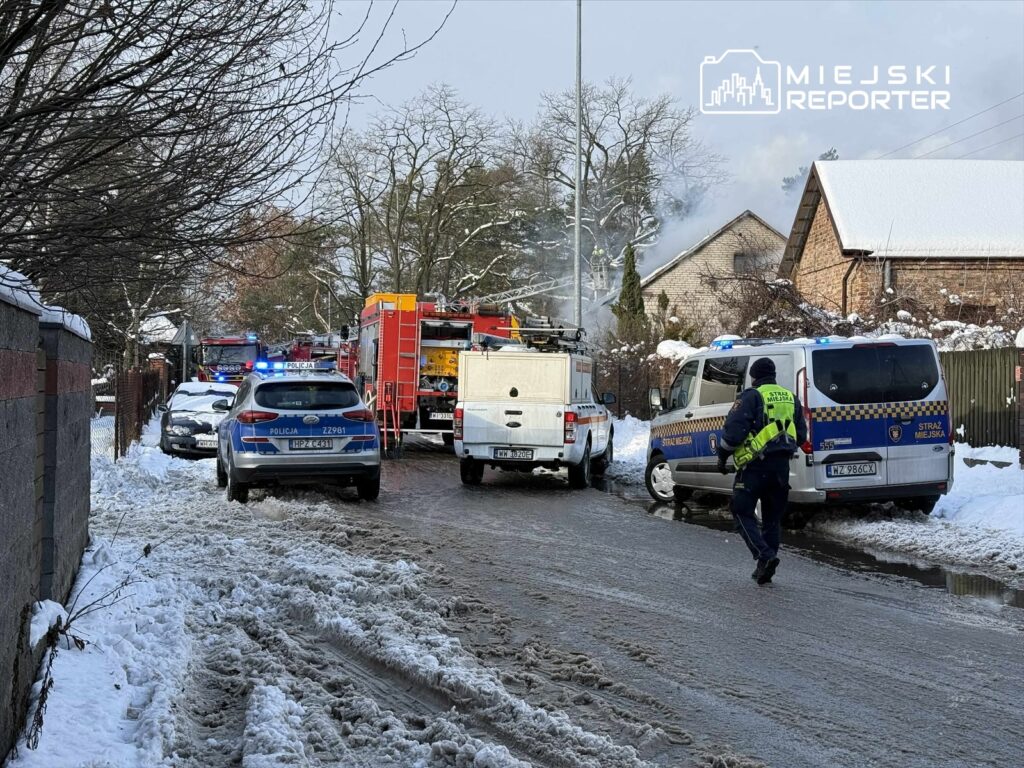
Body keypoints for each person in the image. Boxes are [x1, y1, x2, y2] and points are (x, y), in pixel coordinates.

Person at [717, 357, 807, 585]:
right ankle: (764, 567)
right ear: (774, 375)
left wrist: (722, 456)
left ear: (754, 376)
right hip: (781, 468)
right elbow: (802, 436)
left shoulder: (751, 396)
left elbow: (734, 433)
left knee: (740, 511)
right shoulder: (791, 398)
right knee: (771, 519)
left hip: (754, 467)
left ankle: (764, 556)